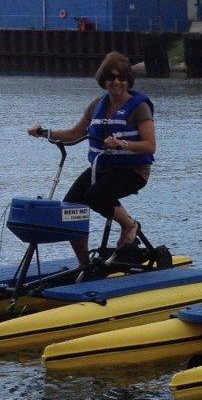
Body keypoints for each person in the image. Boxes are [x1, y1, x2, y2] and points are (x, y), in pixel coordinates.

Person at [28, 51, 155, 268]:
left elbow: (150, 145)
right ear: (103, 80)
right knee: (70, 208)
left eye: (121, 77)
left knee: (96, 196)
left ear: (128, 80)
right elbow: (74, 133)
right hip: (102, 169)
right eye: (111, 77)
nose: (116, 82)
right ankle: (84, 264)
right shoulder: (97, 105)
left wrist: (122, 143)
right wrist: (44, 132)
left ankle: (129, 226)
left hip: (133, 171)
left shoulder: (139, 107)